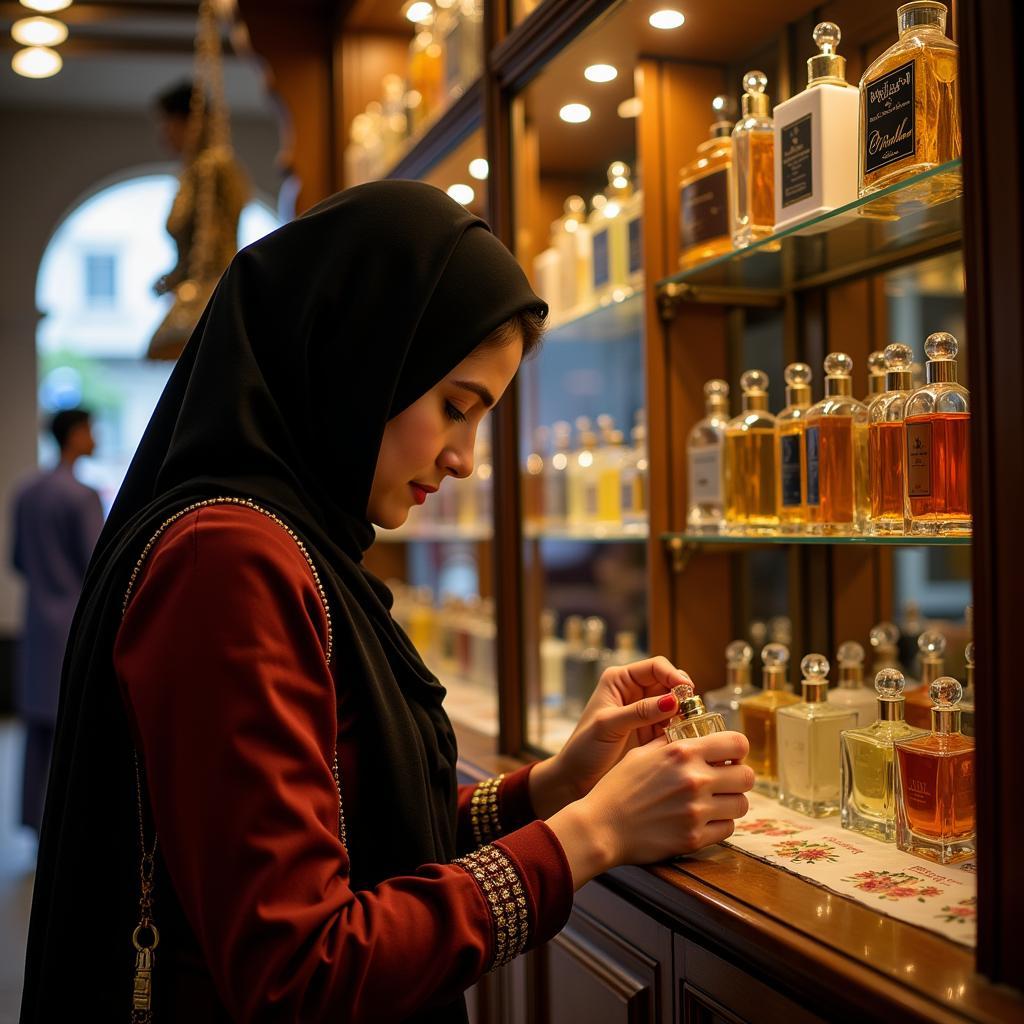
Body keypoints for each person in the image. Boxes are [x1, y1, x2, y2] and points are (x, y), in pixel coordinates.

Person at [20, 182, 753, 1023]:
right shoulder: (229, 561)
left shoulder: (288, 542)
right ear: (358, 361)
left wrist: (555, 786)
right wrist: (592, 837)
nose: (464, 458)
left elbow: (348, 828)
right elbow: (303, 971)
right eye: (455, 407)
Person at [10, 408, 103, 836]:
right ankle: (66, 829)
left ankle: (34, 822)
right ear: (74, 434)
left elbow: (17, 561)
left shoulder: (27, 492)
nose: (94, 436)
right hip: (71, 626)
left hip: (35, 625)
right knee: (72, 729)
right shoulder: (82, 496)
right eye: (89, 428)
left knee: (37, 731)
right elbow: (97, 565)